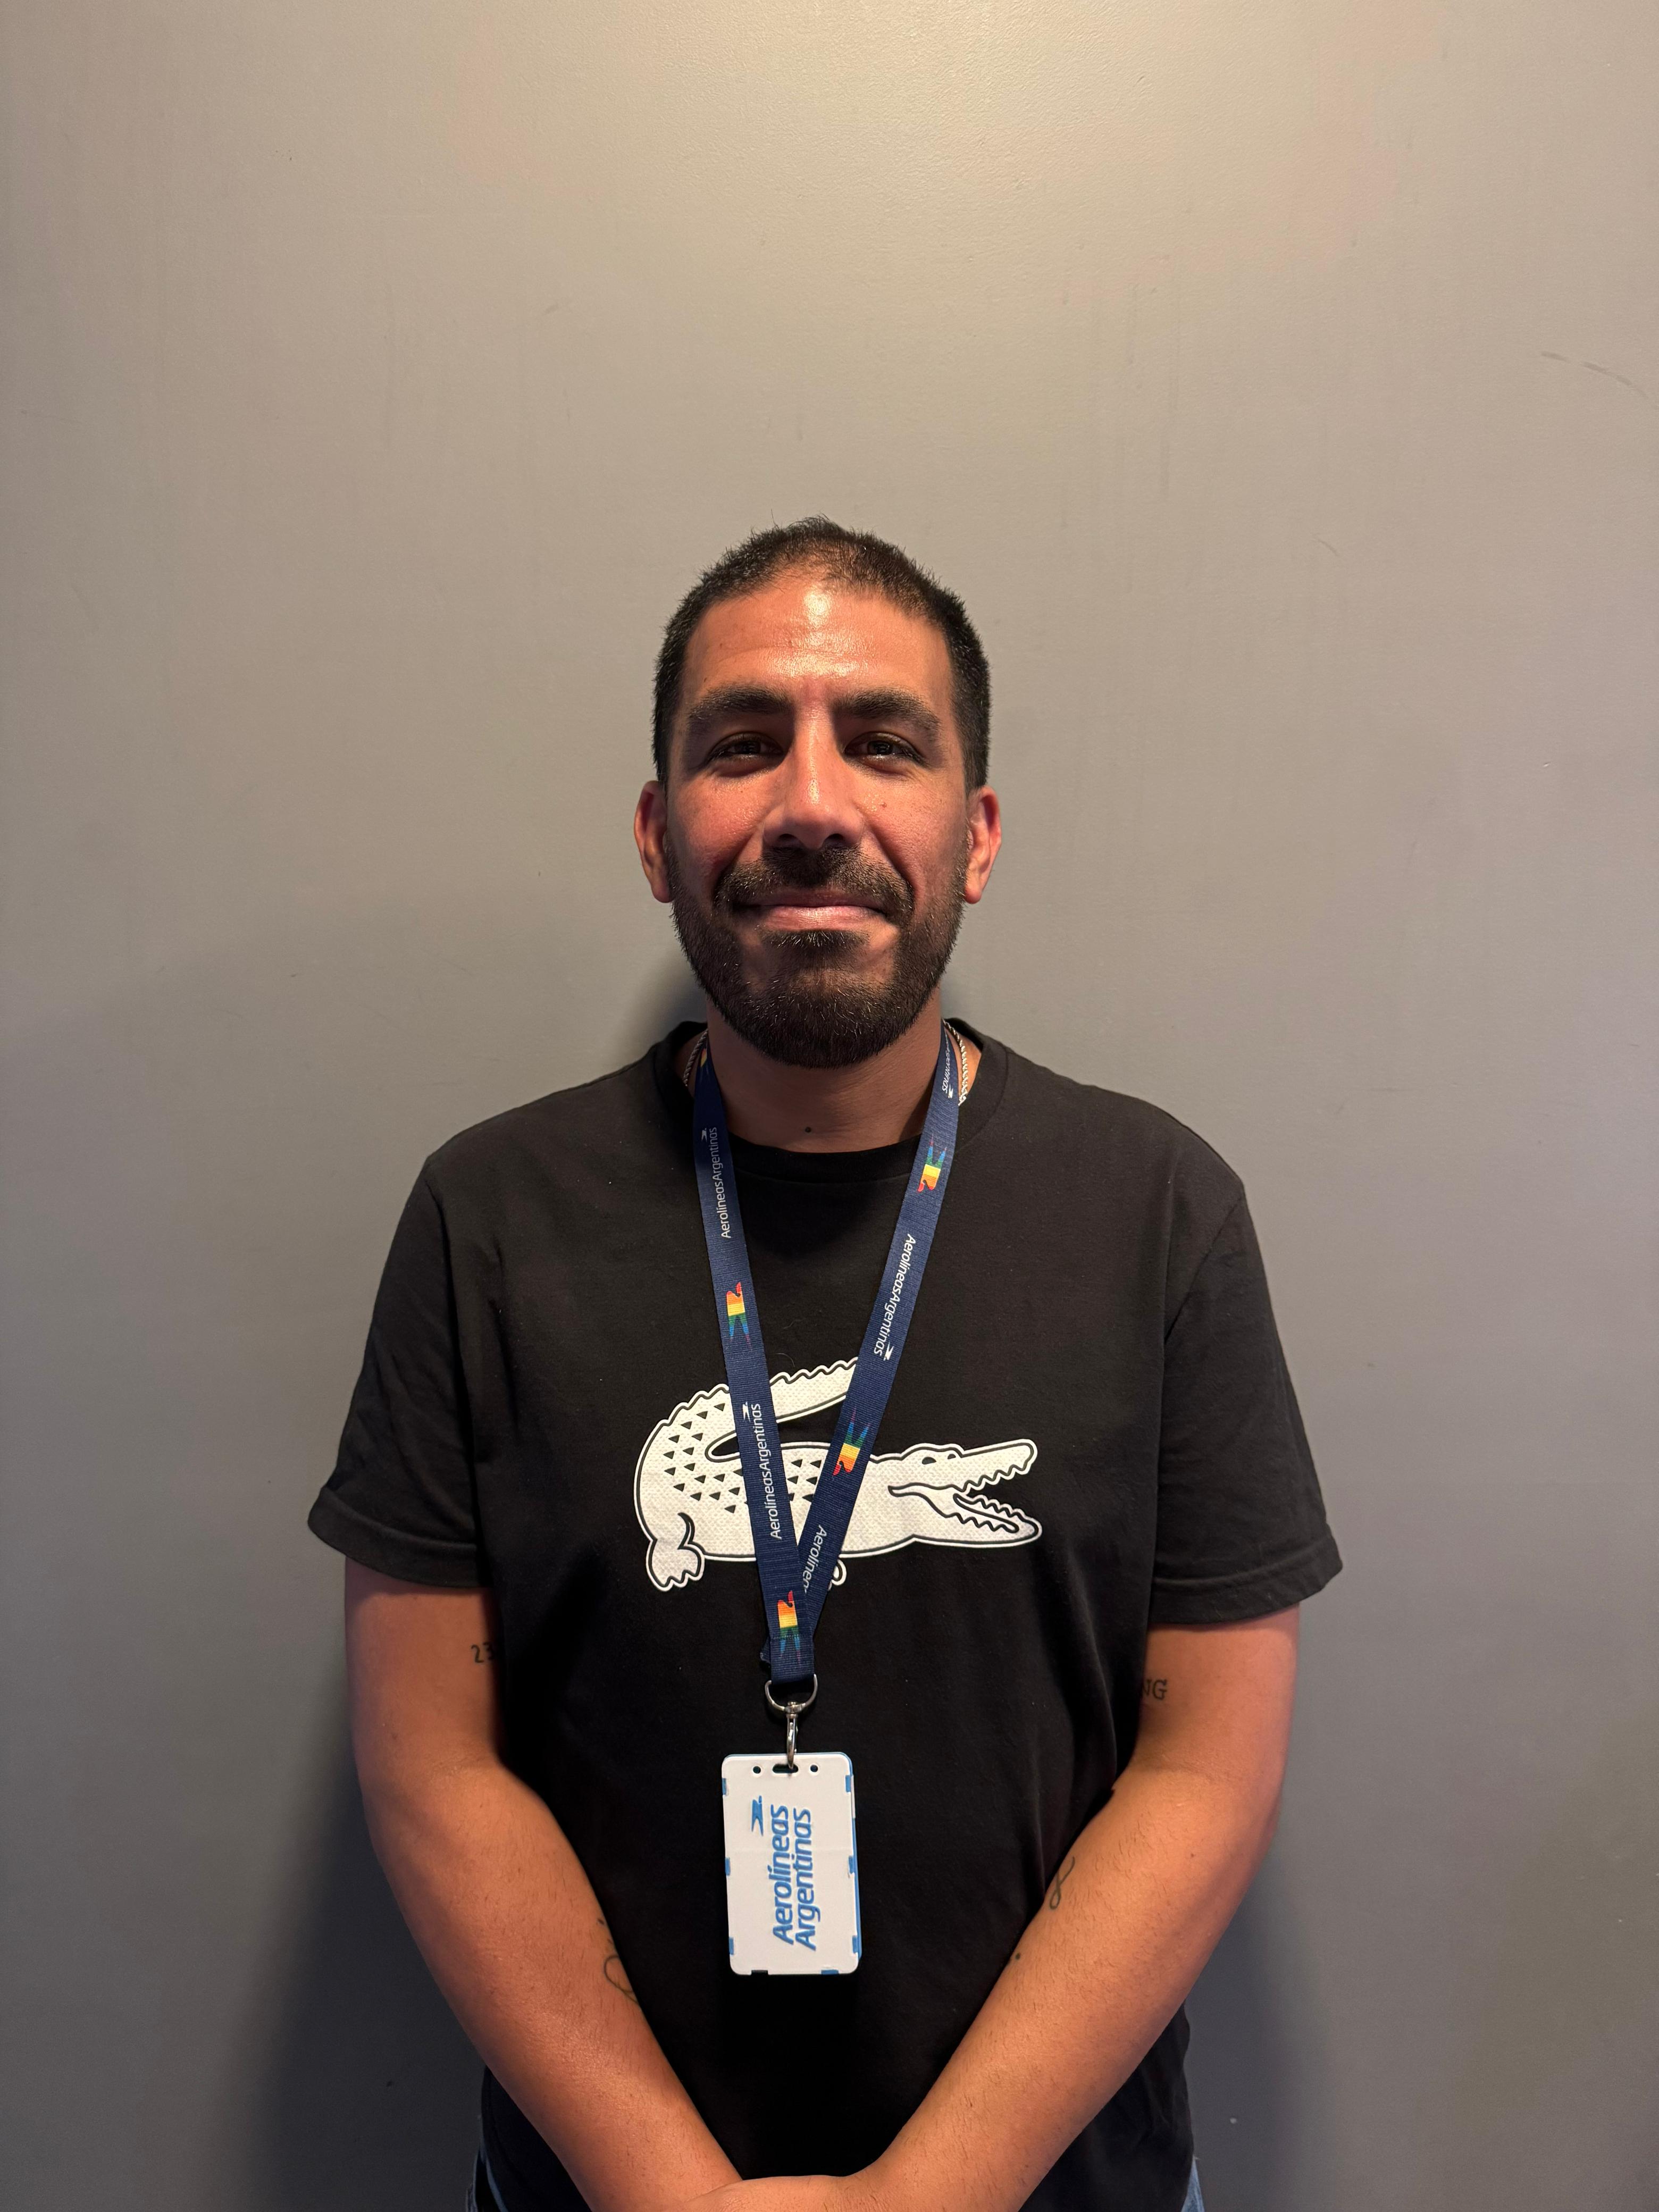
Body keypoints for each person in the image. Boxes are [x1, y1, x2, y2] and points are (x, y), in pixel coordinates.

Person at [308, 517, 1341, 2212]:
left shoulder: (1161, 1211)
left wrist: (929, 2196)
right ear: (659, 834)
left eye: (883, 741)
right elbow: (433, 1763)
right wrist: (676, 2196)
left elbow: (1206, 1770)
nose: (811, 803)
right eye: (740, 744)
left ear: (975, 834)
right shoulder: (485, 1218)